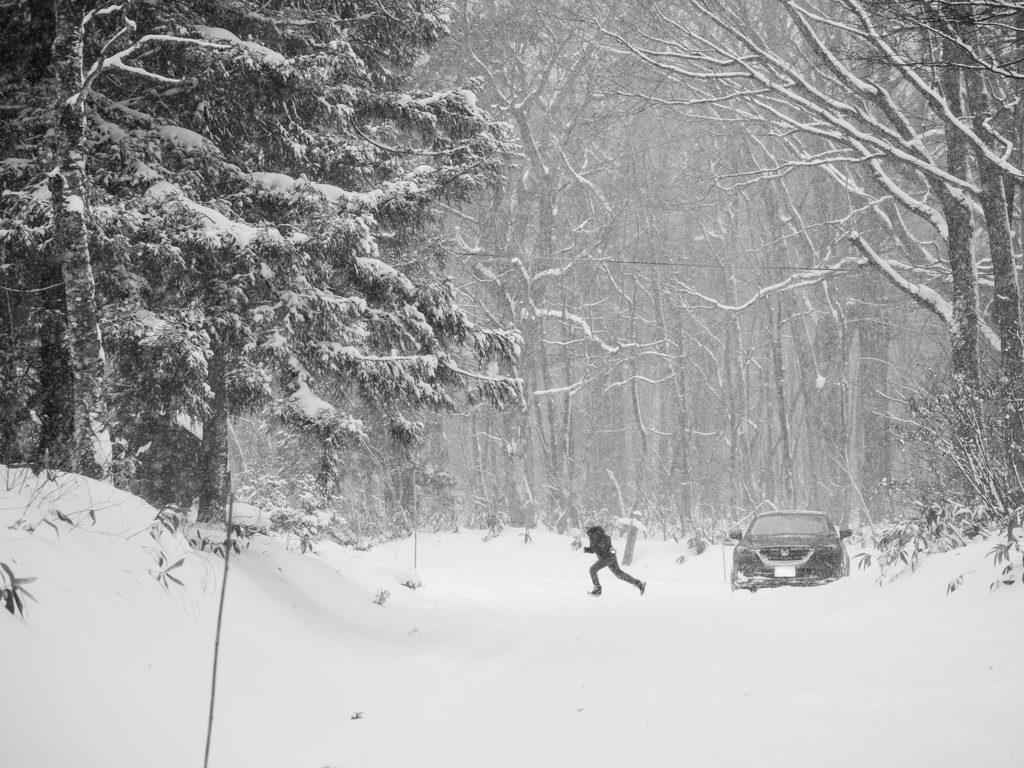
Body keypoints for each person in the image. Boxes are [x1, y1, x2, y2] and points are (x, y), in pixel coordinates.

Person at [582, 519, 645, 597]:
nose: (584, 529)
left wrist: (586, 549)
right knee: (619, 574)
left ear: (589, 528)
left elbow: (595, 548)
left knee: (592, 570)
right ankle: (639, 584)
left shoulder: (594, 535)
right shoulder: (599, 532)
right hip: (610, 556)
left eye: (585, 527)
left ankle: (597, 589)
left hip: (605, 558)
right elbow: (604, 543)